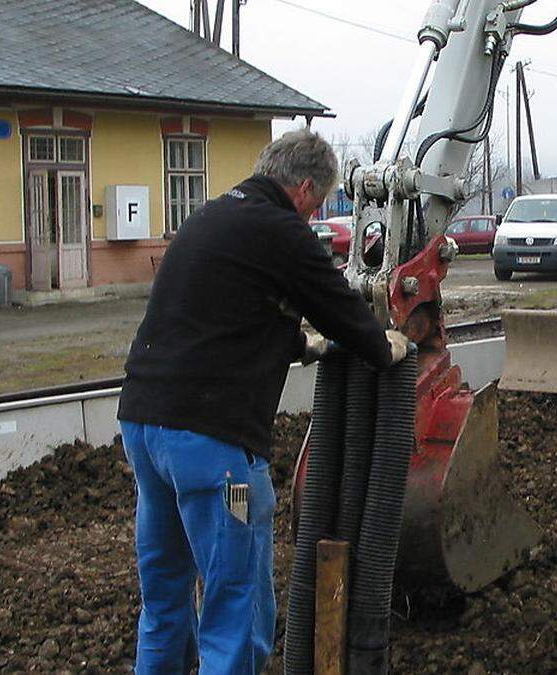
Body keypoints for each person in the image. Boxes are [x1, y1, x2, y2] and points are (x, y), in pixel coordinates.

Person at [117, 129, 407, 673]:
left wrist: (299, 344)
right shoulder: (280, 229)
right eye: (316, 204)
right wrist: (381, 346)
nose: (313, 215)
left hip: (143, 425)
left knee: (164, 603)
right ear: (302, 189)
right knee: (236, 609)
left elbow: (225, 314)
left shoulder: (214, 215)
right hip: (211, 442)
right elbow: (335, 301)